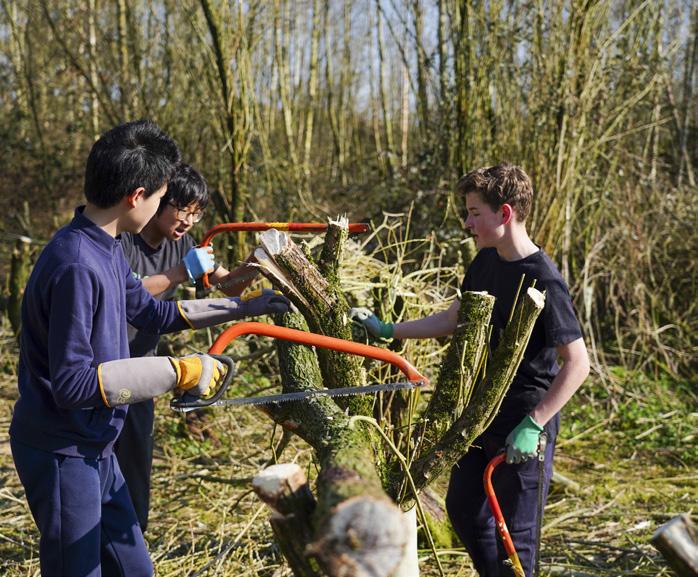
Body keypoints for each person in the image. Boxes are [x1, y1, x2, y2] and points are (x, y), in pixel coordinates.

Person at [9, 119, 289, 577]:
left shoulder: (108, 247)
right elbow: (73, 385)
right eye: (161, 197)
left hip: (98, 445)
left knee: (135, 568)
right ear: (136, 196)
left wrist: (242, 306)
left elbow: (151, 312)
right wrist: (180, 372)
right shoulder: (77, 264)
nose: (164, 205)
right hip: (63, 451)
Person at [350, 163, 590, 577]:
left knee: (516, 538)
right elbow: (453, 318)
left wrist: (534, 423)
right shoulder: (485, 262)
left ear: (505, 213)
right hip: (482, 412)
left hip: (525, 420)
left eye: (475, 212)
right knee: (463, 509)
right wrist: (389, 330)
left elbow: (578, 363)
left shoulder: (545, 280)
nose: (467, 223)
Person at [114, 162, 257, 532]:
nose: (189, 221)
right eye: (183, 210)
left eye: (197, 214)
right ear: (159, 201)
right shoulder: (122, 240)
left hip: (144, 368)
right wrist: (179, 273)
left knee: (136, 464)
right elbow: (127, 293)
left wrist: (258, 265)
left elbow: (228, 285)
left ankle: (132, 540)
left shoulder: (183, 245)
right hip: (106, 364)